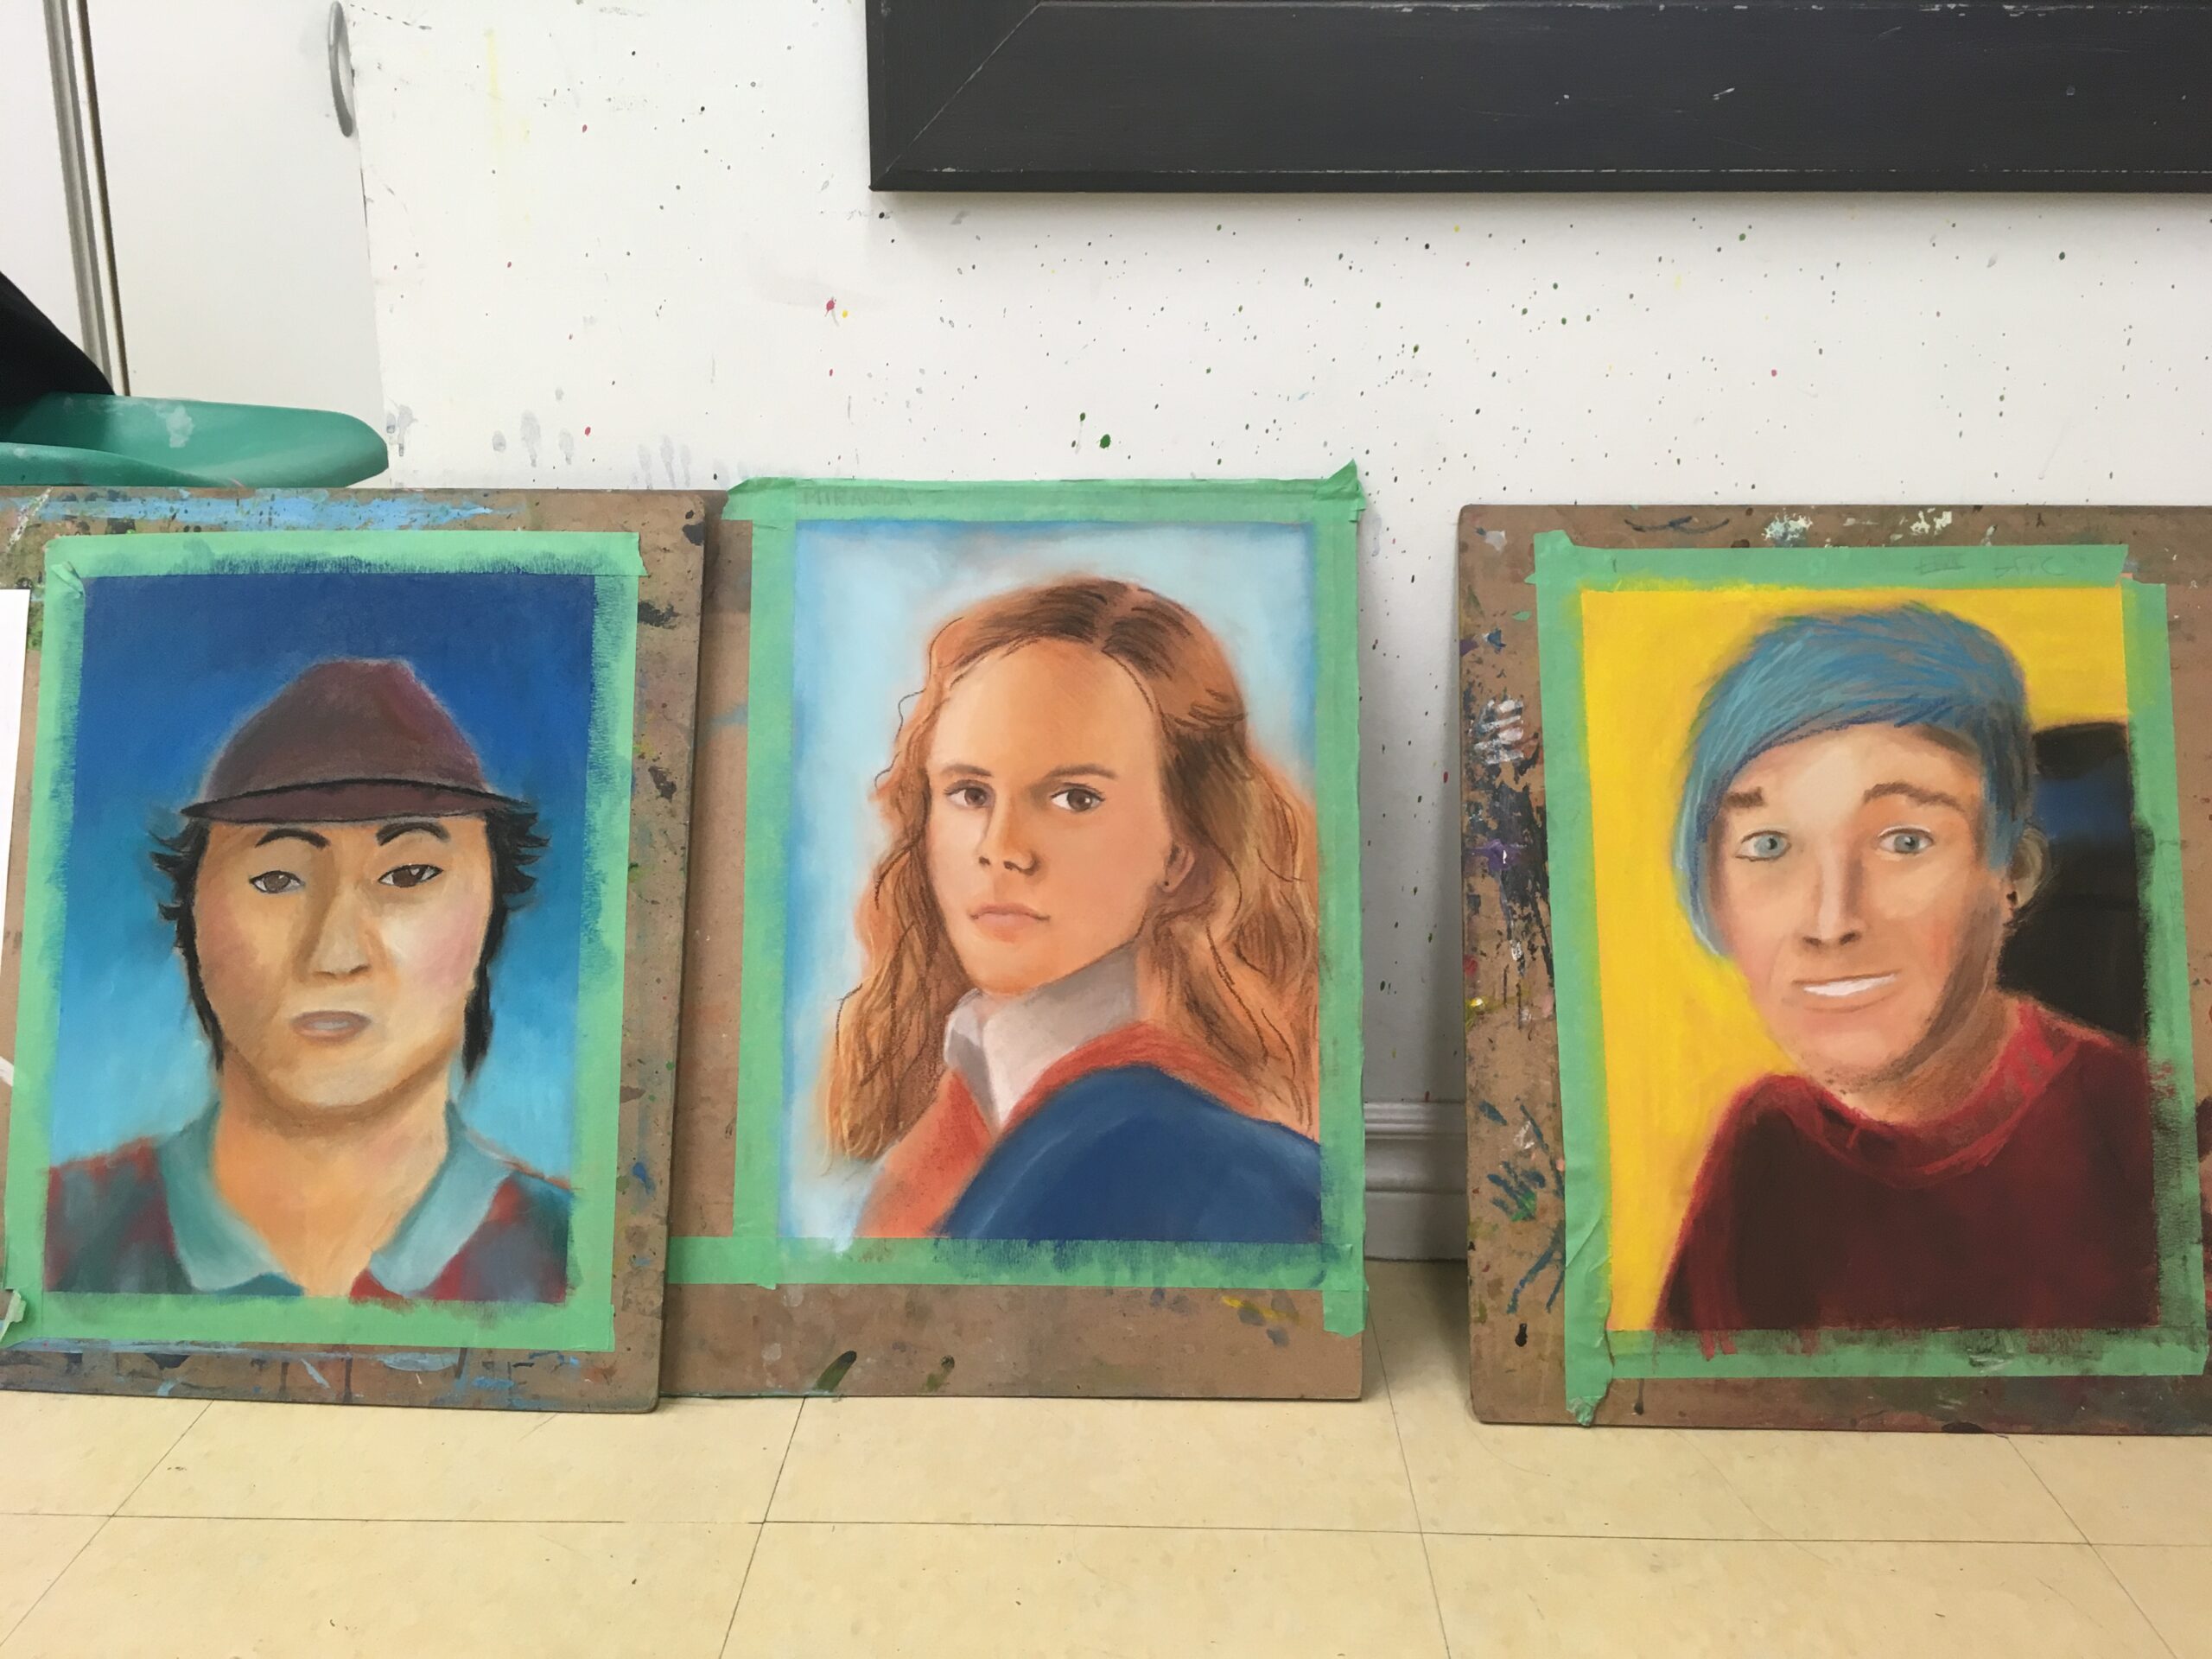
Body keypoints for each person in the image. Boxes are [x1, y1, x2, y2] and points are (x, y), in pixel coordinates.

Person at [1656, 603, 2161, 1335]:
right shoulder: (1765, 1145)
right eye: (1768, 846)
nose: (1831, 920)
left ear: (2012, 874)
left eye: (1905, 841)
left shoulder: (2137, 1132)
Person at [45, 658, 572, 1302]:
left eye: (409, 875)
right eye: (276, 879)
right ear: (191, 917)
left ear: (491, 912)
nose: (335, 954)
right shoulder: (52, 1238)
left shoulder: (579, 1256)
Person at [830, 576, 1323, 1243]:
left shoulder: (1180, 1151)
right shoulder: (957, 1116)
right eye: (970, 793)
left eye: (1074, 799)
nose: (1002, 849)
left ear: (1180, 849)